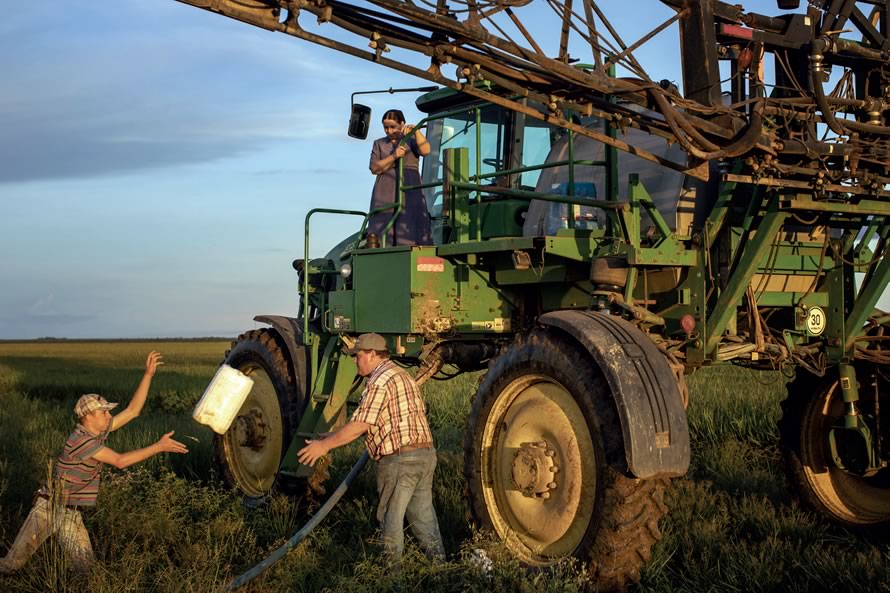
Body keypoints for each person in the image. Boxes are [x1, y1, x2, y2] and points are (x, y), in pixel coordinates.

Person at [0, 351, 188, 575]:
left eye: (108, 412)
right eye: (104, 412)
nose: (109, 416)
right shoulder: (81, 441)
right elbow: (120, 461)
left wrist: (148, 374)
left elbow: (132, 411)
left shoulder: (95, 433)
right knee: (10, 566)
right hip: (48, 509)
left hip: (71, 513)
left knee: (87, 571)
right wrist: (158, 447)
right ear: (88, 417)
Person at [298, 333, 445, 564]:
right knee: (424, 518)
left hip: (400, 460)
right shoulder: (400, 375)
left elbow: (360, 425)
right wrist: (332, 435)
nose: (355, 361)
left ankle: (391, 579)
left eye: (358, 356)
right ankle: (440, 569)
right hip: (424, 456)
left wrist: (323, 446)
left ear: (373, 354)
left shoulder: (379, 380)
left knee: (390, 519)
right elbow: (382, 420)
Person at [368, 109, 434, 247]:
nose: (389, 131)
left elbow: (426, 150)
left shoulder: (411, 139)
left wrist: (416, 131)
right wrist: (394, 156)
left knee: (410, 219)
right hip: (385, 190)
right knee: (383, 222)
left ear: (402, 124)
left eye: (393, 127)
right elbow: (374, 168)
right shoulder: (378, 143)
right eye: (386, 127)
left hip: (409, 187)